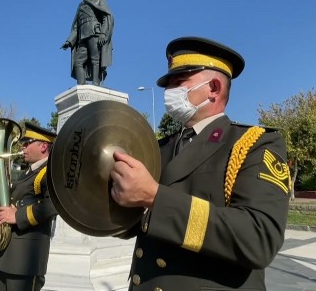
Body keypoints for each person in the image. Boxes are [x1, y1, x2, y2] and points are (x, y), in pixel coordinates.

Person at [109, 37, 291, 290]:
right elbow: (134, 223)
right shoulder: (159, 148)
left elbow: (259, 239)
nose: (169, 91)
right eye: (168, 83)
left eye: (179, 81)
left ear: (214, 88)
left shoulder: (253, 144)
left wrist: (155, 197)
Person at [0, 123, 58, 291]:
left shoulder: (52, 170)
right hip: (9, 254)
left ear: (43, 146)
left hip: (26, 258)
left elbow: (52, 205)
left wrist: (17, 215)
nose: (22, 147)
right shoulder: (28, 172)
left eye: (27, 142)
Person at [61, 0, 114, 86]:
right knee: (78, 62)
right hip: (82, 36)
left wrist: (103, 34)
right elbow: (76, 27)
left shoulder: (99, 0)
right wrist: (69, 41)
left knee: (95, 59)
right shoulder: (81, 6)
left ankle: (95, 83)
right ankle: (81, 85)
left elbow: (107, 17)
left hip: (94, 33)